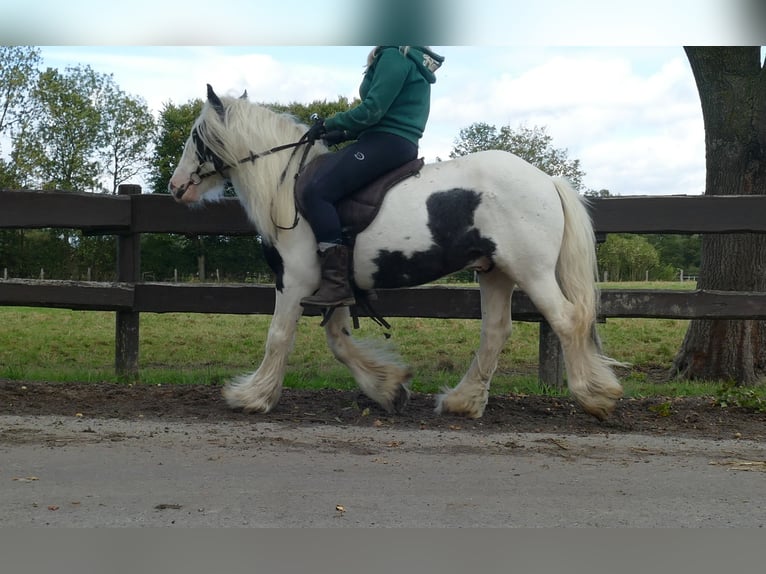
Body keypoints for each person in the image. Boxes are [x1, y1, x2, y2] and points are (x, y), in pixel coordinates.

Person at [298, 45, 444, 309]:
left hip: (386, 142)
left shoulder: (394, 55)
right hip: (389, 141)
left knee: (317, 192)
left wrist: (329, 124)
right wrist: (343, 134)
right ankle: (356, 274)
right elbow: (382, 115)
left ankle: (336, 283)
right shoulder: (406, 56)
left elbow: (372, 110)